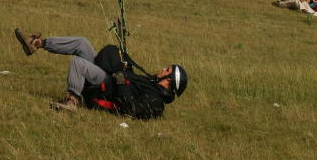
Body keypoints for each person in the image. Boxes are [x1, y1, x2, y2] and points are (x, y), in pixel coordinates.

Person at [14, 29, 188, 117]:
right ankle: (36, 44)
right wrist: (124, 66)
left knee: (78, 63)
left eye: (167, 70)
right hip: (111, 80)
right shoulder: (151, 82)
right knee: (82, 43)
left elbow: (128, 106)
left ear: (169, 80)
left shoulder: (156, 102)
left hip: (106, 90)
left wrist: (120, 74)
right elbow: (129, 81)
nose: (162, 69)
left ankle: (71, 101)